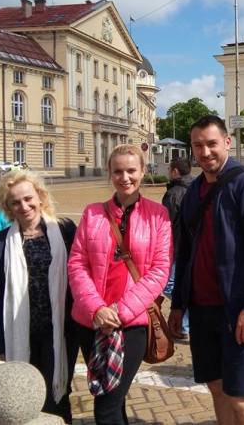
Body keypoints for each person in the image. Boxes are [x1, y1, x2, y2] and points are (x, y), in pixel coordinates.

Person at [168, 115, 244, 425]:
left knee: (242, 396)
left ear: (227, 142)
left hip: (237, 310)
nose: (205, 152)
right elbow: (185, 252)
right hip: (201, 309)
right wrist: (178, 304)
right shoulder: (193, 191)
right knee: (217, 387)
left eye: (212, 144)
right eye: (198, 145)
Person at [68, 144, 172, 424]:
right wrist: (97, 309)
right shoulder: (92, 213)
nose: (125, 177)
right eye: (118, 171)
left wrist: (119, 312)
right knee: (115, 399)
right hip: (92, 321)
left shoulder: (158, 215)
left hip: (131, 323)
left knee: (106, 406)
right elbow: (77, 264)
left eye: (131, 170)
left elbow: (159, 270)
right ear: (109, 173)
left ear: (143, 171)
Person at [0, 170, 79, 422]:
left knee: (58, 395)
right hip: (20, 331)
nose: (24, 206)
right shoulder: (0, 243)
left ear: (40, 196)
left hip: (60, 331)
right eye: (15, 202)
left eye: (28, 198)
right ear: (8, 207)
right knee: (23, 397)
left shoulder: (65, 231)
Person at [162, 157, 193, 340]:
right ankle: (185, 324)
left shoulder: (174, 193)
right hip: (190, 246)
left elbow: (165, 223)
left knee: (169, 284)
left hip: (176, 246)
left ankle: (185, 323)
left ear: (175, 171)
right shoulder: (196, 187)